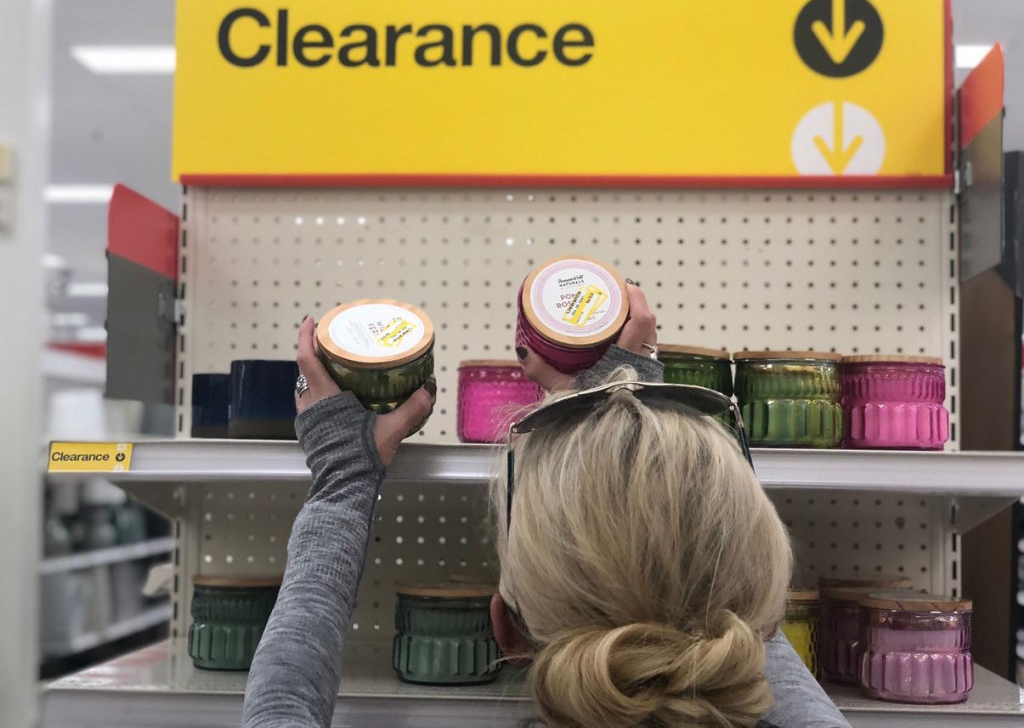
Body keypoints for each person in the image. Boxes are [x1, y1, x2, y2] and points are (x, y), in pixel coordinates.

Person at [243, 286, 851, 728]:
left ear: (505, 629)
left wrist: (344, 477)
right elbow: (747, 620)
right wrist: (622, 410)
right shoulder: (755, 627)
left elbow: (282, 707)